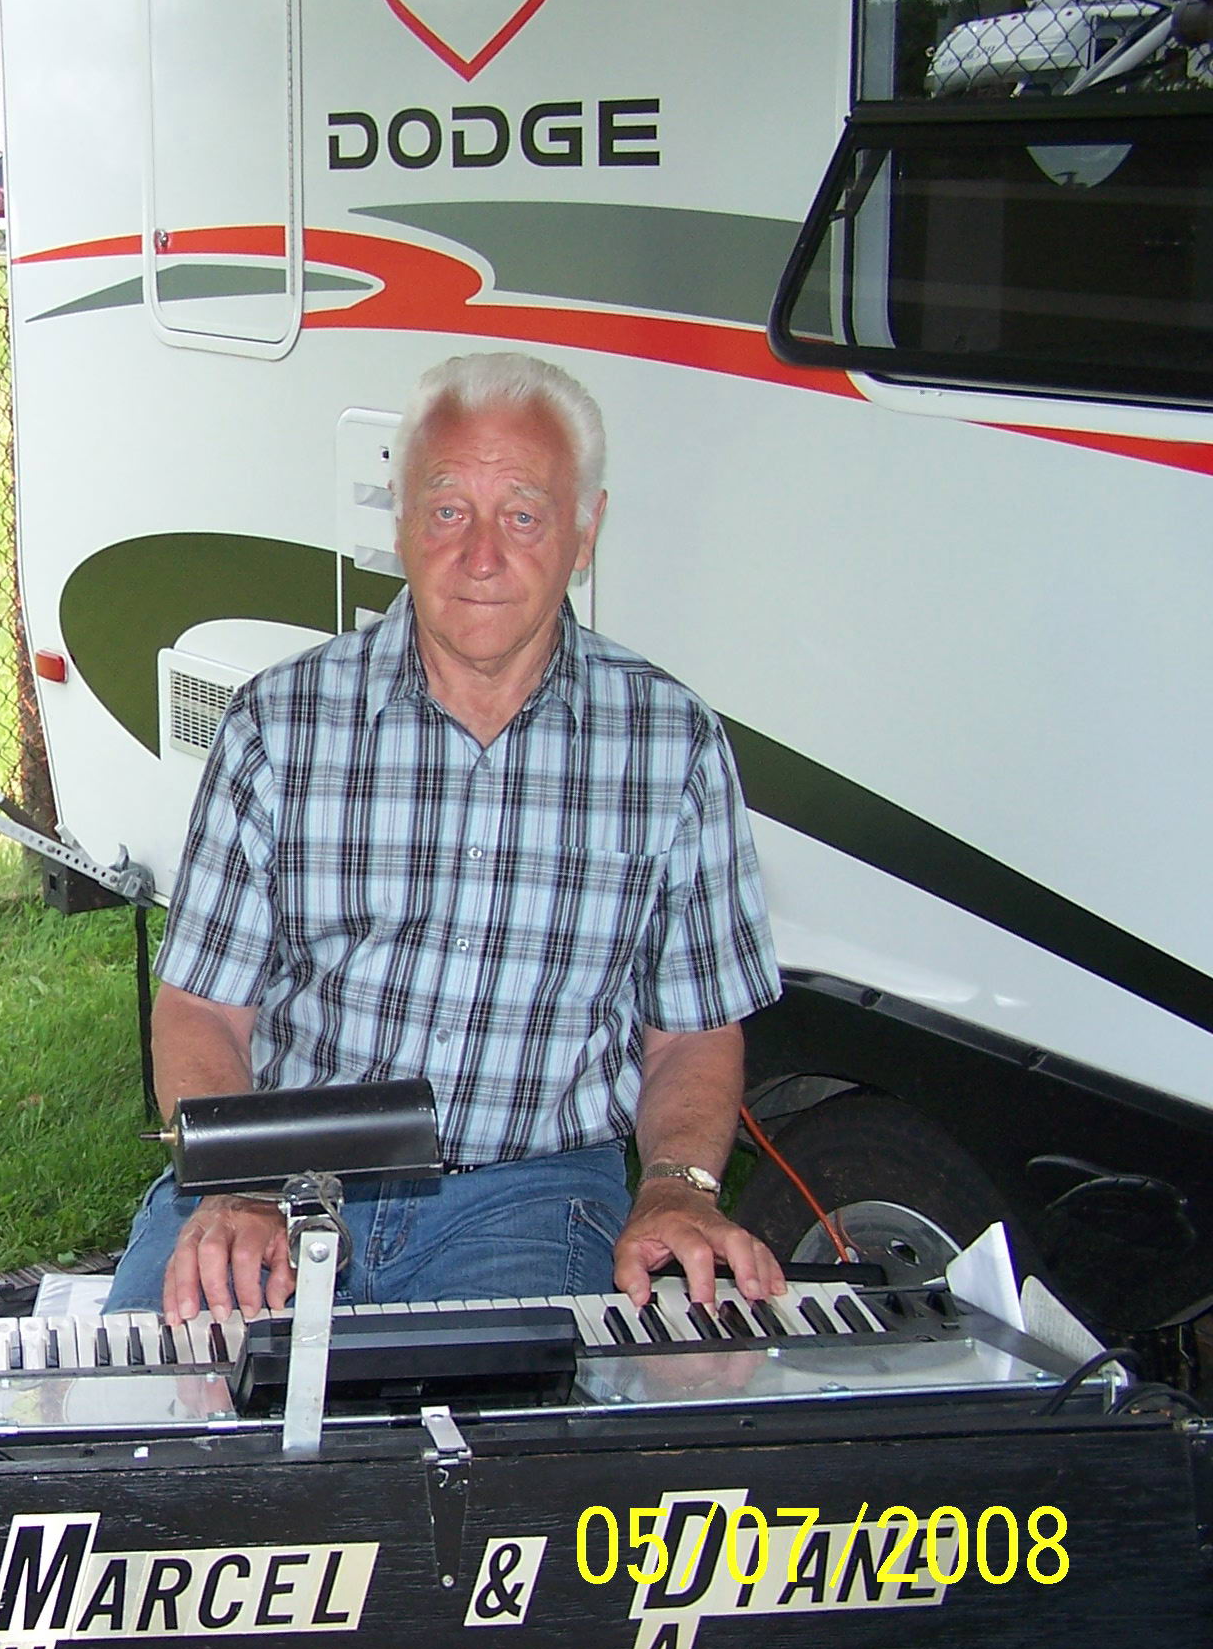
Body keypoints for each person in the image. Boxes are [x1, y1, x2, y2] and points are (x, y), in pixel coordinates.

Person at [107, 349, 786, 1324]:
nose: (481, 556)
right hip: (279, 1169)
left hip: (526, 1194)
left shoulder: (668, 743)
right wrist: (239, 1185)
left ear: (584, 531)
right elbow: (204, 1009)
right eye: (447, 510)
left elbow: (692, 1029)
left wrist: (677, 1185)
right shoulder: (279, 722)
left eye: (523, 515)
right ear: (400, 523)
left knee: (494, 1418)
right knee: (158, 1399)